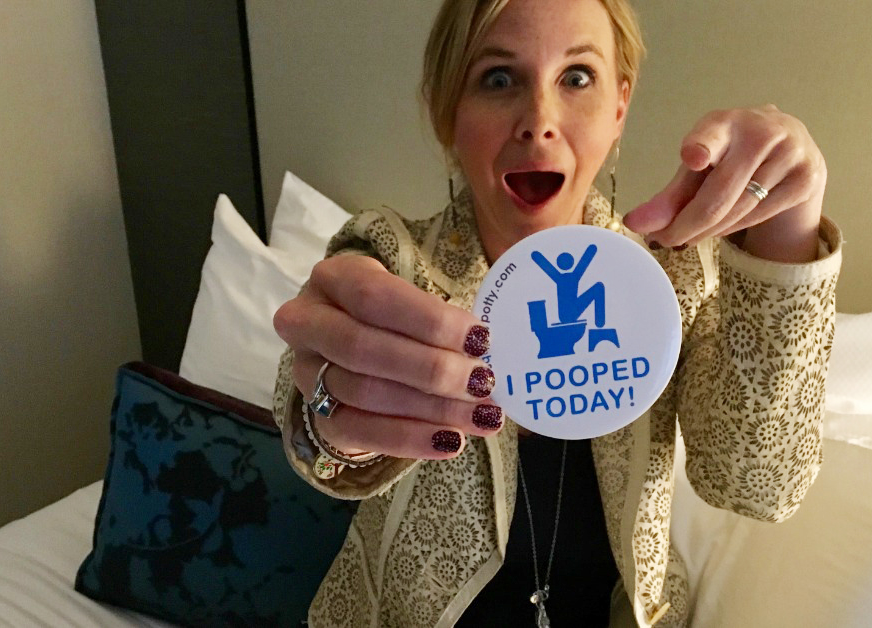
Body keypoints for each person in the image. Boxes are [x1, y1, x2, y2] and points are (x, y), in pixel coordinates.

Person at [271, 0, 842, 625]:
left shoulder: (670, 279)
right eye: (498, 78)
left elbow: (757, 486)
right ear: (447, 112)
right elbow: (312, 432)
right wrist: (327, 424)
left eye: (576, 77)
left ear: (619, 106)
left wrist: (786, 238)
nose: (539, 121)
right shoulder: (390, 259)